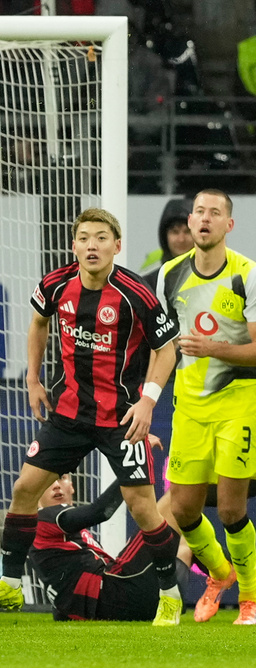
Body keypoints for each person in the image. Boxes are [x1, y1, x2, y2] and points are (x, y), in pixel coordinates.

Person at [0, 207, 183, 626]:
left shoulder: (138, 293)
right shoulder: (54, 283)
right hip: (68, 414)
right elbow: (38, 324)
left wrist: (149, 401)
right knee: (25, 488)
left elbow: (166, 349)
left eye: (101, 237)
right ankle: (8, 583)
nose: (92, 245)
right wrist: (32, 378)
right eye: (84, 237)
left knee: (142, 508)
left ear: (117, 246)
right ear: (74, 245)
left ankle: (170, 592)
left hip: (120, 416)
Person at [156, 189, 256, 626]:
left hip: (239, 404)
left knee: (233, 510)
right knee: (182, 510)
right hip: (189, 408)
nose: (204, 219)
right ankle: (219, 572)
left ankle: (250, 601)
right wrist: (146, 397)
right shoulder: (169, 276)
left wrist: (213, 347)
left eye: (215, 213)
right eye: (199, 211)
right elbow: (162, 347)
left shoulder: (247, 276)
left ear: (228, 225)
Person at [30, 475, 168, 622]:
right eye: (48, 481)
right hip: (117, 593)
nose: (56, 485)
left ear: (71, 487)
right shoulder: (43, 518)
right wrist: (130, 473)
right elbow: (100, 511)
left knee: (180, 537)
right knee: (167, 511)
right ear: (37, 495)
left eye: (62, 478)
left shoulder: (60, 538)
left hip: (116, 606)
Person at [140, 197, 193, 291]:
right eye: (175, 232)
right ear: (164, 236)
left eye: (187, 232)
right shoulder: (147, 282)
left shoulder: (214, 276)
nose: (181, 239)